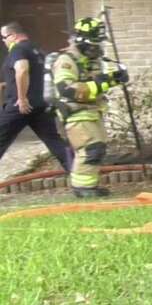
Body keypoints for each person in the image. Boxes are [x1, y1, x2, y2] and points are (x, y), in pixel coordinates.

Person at [51, 18, 129, 197]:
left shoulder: (89, 60)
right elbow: (67, 89)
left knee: (97, 149)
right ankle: (83, 188)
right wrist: (103, 83)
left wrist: (115, 78)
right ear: (81, 42)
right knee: (89, 149)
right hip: (75, 112)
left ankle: (88, 186)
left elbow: (95, 83)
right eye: (93, 44)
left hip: (92, 111)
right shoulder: (66, 60)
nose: (96, 48)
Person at [0, 23, 72, 171]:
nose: (3, 41)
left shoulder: (18, 49)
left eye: (4, 37)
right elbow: (35, 76)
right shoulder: (37, 50)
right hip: (41, 105)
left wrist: (22, 98)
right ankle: (77, 172)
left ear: (13, 36)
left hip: (20, 106)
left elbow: (22, 70)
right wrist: (7, 84)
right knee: (54, 140)